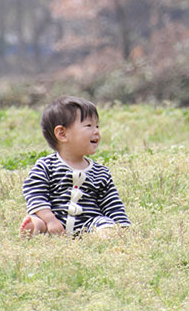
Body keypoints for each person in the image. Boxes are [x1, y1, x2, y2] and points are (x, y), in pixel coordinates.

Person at [20, 96, 130, 238]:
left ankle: (106, 236)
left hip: (87, 225)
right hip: (54, 222)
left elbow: (112, 204)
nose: (96, 131)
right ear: (62, 134)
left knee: (104, 223)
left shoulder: (100, 172)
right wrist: (50, 219)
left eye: (97, 126)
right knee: (37, 221)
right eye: (89, 126)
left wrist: (123, 227)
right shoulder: (46, 166)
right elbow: (35, 194)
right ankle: (32, 229)